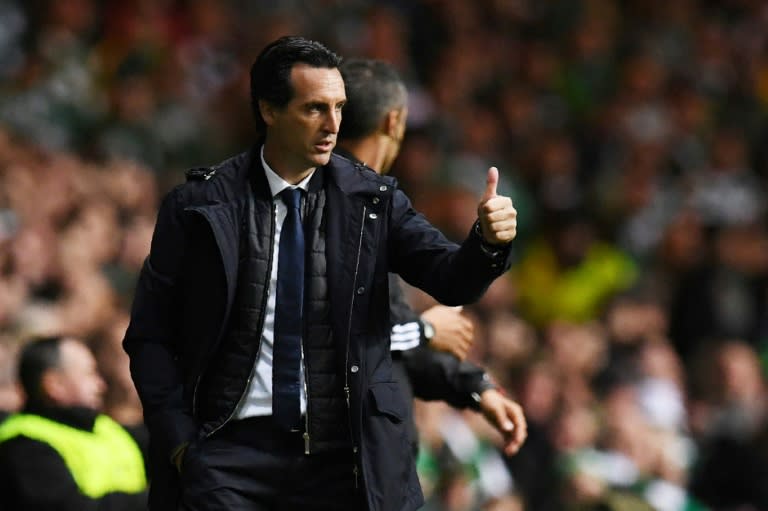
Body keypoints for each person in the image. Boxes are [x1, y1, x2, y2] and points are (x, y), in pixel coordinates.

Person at [124, 35, 518, 511]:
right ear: (269, 110)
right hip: (228, 459)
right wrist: (183, 443)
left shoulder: (373, 201)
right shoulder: (198, 207)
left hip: (343, 460)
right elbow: (150, 335)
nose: (334, 125)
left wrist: (488, 243)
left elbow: (451, 278)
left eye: (339, 108)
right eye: (315, 109)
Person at [336, 57, 527, 457]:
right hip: (344, 462)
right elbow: (330, 339)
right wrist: (423, 331)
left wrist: (476, 388)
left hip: (371, 459)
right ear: (394, 122)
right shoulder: (347, 203)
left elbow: (399, 329)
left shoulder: (369, 200)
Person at [0, 336, 147, 510]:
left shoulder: (106, 427)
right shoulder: (24, 445)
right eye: (89, 373)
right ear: (55, 385)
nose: (100, 385)